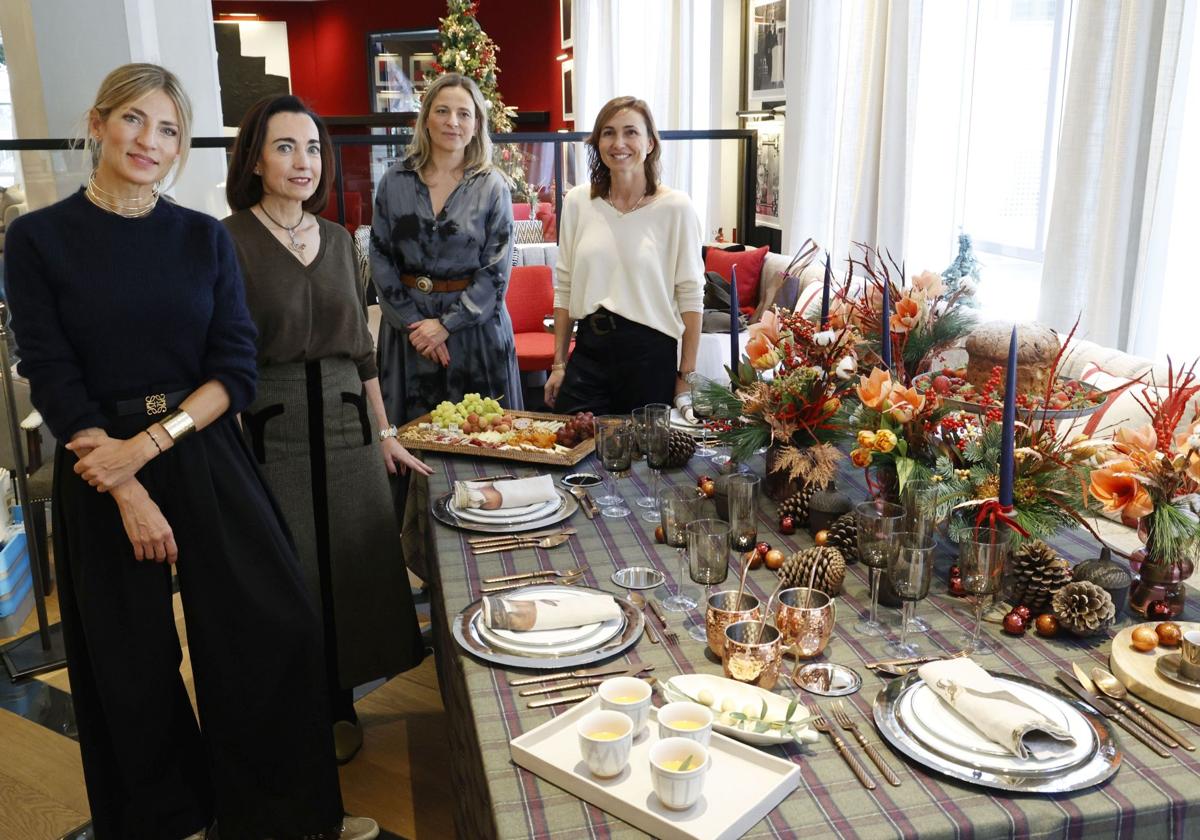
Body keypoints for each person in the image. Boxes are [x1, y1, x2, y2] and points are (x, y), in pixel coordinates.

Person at [4, 64, 376, 840]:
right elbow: (52, 369)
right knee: (127, 661)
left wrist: (149, 446)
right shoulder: (36, 238)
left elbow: (234, 369)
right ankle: (169, 820)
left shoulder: (200, 236)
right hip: (95, 460)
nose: (151, 141)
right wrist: (127, 483)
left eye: (168, 129)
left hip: (198, 444)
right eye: (135, 120)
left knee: (274, 623)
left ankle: (279, 814)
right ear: (99, 122)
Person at [223, 94, 431, 765]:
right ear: (255, 159)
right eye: (284, 147)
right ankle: (296, 705)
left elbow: (363, 352)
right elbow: (222, 352)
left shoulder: (341, 239)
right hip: (271, 424)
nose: (302, 162)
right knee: (289, 570)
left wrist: (386, 430)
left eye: (312, 148)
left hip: (346, 422)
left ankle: (341, 699)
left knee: (354, 562)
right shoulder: (229, 241)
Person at [370, 72, 521, 424]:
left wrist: (446, 325)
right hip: (409, 336)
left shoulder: (492, 186)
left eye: (464, 114)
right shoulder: (394, 181)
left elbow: (496, 272)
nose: (452, 122)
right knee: (413, 442)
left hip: (476, 335)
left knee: (484, 438)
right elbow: (379, 257)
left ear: (476, 124)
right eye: (442, 111)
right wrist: (417, 326)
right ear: (425, 120)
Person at [544, 96, 704, 415]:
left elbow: (690, 295)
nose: (619, 143)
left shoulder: (676, 207)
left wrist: (686, 376)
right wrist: (559, 364)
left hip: (650, 354)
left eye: (631, 132)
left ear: (650, 142)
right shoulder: (578, 202)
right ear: (597, 142)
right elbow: (565, 288)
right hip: (589, 351)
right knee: (570, 450)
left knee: (644, 459)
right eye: (608, 132)